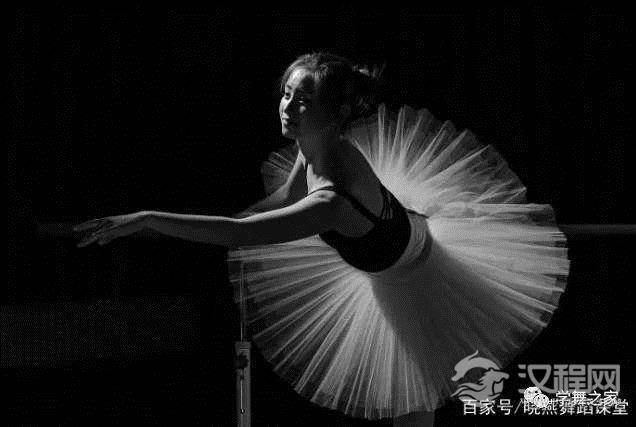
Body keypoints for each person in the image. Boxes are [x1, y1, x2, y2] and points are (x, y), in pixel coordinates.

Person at [75, 52, 570, 426]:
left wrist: (148, 218)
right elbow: (279, 201)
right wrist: (224, 216)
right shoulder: (314, 144)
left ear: (333, 114)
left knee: (415, 400)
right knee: (410, 397)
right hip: (387, 251)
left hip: (417, 275)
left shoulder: (331, 199)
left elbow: (239, 234)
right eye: (287, 94)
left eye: (304, 101)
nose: (288, 107)